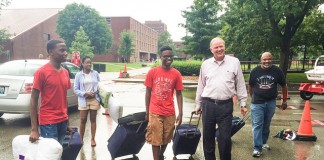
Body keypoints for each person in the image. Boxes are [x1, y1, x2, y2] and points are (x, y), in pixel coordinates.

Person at [195, 37, 248, 160]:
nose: (219, 49)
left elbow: (240, 83)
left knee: (224, 138)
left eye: (221, 46)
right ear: (211, 49)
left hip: (225, 105)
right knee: (208, 138)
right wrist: (198, 104)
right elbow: (201, 85)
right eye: (216, 47)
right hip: (208, 105)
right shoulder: (205, 64)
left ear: (225, 46)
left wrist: (243, 103)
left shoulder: (234, 62)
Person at [144, 46, 184, 160]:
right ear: (160, 57)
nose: (168, 58)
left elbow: (179, 94)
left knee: (167, 137)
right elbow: (147, 93)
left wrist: (180, 113)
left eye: (170, 56)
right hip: (155, 111)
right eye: (165, 56)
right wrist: (147, 112)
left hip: (169, 111)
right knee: (156, 139)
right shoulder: (153, 72)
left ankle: (161, 155)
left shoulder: (176, 74)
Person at [29, 39, 71, 145]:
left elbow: (64, 98)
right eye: (62, 50)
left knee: (59, 152)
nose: (65, 53)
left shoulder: (65, 72)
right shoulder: (41, 72)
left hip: (63, 121)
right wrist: (34, 129)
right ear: (51, 52)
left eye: (66, 50)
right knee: (50, 154)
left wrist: (67, 121)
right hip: (48, 122)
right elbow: (33, 100)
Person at [248, 52, 287, 157]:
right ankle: (257, 148)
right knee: (257, 125)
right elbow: (250, 86)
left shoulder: (277, 71)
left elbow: (284, 85)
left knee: (266, 123)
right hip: (257, 103)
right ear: (261, 60)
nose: (267, 61)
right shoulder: (255, 71)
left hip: (271, 102)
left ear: (272, 60)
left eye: (269, 59)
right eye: (264, 59)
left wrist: (284, 100)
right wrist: (253, 98)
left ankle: (263, 142)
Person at [74, 56, 101, 147]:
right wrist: (85, 93)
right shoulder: (78, 75)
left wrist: (95, 92)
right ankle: (81, 139)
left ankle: (93, 139)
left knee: (93, 119)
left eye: (90, 62)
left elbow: (99, 86)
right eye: (87, 62)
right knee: (83, 120)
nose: (89, 64)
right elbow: (76, 90)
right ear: (82, 63)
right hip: (83, 100)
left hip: (94, 100)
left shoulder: (95, 73)